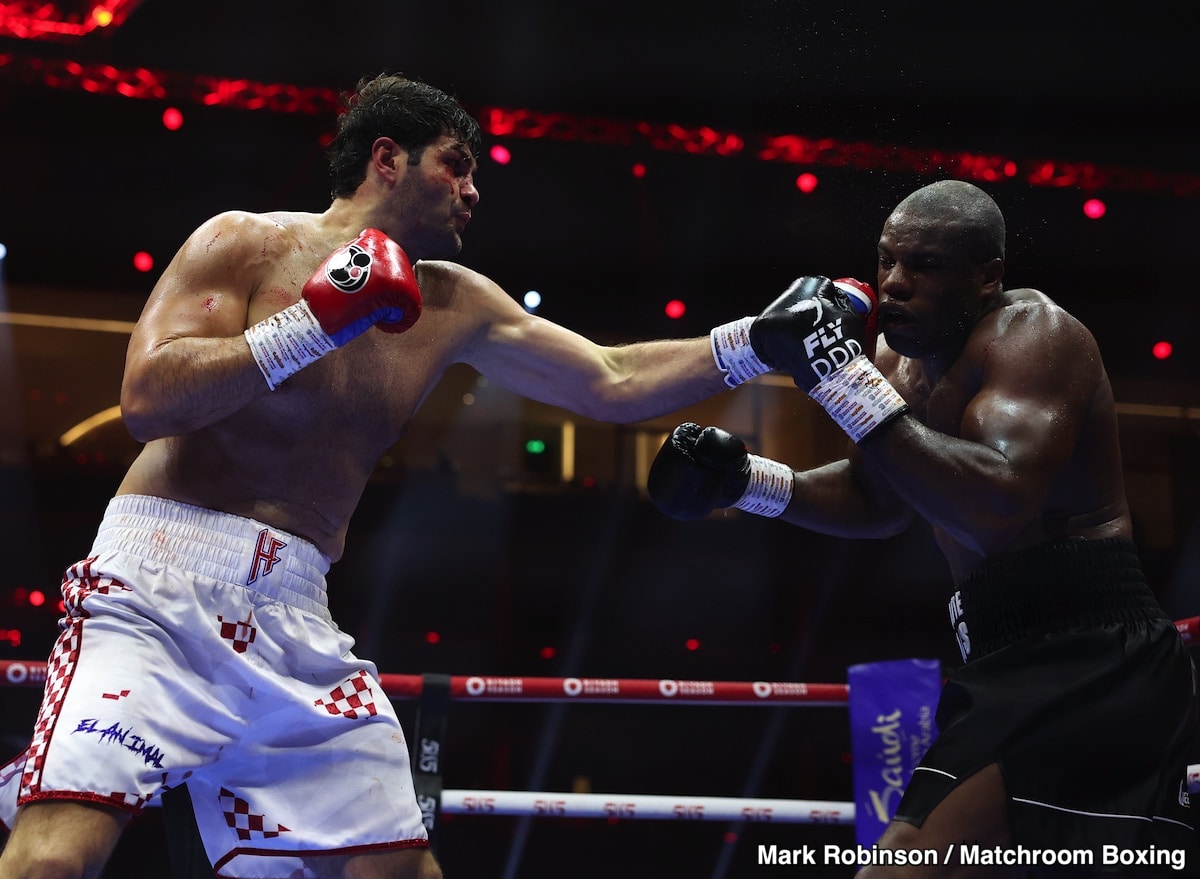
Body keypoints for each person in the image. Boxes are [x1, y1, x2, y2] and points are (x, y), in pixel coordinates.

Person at [0, 72, 821, 879]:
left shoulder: (454, 301)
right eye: (456, 164)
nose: (473, 189)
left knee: (397, 867)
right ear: (387, 158)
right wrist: (315, 323)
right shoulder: (245, 242)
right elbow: (146, 400)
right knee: (59, 852)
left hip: (295, 609)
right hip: (158, 587)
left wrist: (756, 340)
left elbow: (610, 377)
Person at [647, 179, 1199, 877]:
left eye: (926, 266)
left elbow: (996, 503)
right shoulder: (893, 365)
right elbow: (877, 500)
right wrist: (747, 483)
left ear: (987, 277)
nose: (896, 284)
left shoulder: (1033, 333)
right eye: (887, 261)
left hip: (1090, 655)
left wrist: (839, 377)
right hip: (1003, 653)